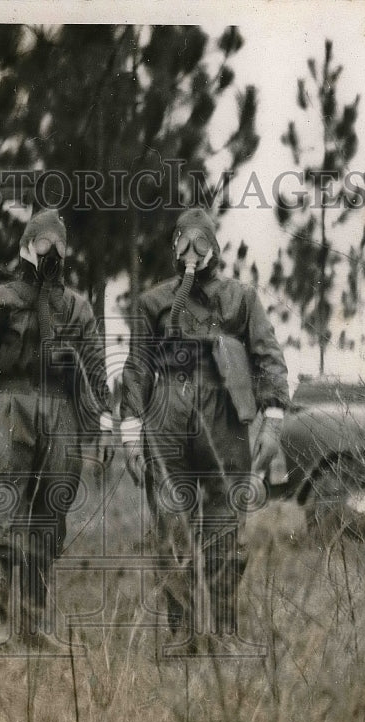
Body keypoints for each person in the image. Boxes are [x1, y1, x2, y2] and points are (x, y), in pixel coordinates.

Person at [119, 207, 290, 654]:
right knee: (172, 527)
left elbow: (267, 355)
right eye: (183, 242)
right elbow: (136, 369)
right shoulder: (153, 303)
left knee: (223, 526)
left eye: (201, 242)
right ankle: (183, 634)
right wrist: (131, 431)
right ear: (174, 247)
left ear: (214, 246)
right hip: (167, 416)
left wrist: (272, 420)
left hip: (224, 413)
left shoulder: (241, 299)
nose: (192, 251)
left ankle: (224, 632)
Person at [0, 209, 114, 651]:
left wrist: (98, 428)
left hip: (60, 413)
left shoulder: (76, 308)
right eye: (43, 243)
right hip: (8, 407)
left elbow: (95, 373)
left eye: (59, 246)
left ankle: (36, 625)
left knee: (50, 518)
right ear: (27, 246)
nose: (52, 252)